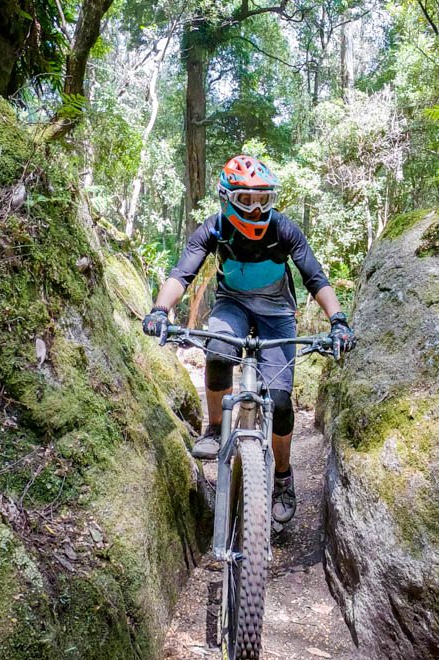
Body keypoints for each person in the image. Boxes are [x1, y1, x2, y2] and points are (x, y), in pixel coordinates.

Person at [142, 154, 356, 524]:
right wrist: (160, 310)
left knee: (280, 401)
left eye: (263, 200)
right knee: (219, 350)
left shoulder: (284, 229)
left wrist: (338, 321)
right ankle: (214, 428)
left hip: (277, 314)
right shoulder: (214, 228)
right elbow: (182, 274)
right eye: (246, 200)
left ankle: (283, 477)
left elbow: (315, 277)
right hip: (232, 305)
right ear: (227, 199)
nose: (256, 210)